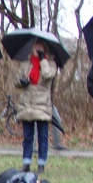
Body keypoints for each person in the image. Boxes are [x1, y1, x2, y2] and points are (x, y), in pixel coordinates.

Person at [16, 40, 56, 174]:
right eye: (36, 46)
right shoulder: (26, 64)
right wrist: (22, 82)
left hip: (42, 104)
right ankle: (26, 162)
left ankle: (41, 164)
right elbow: (17, 82)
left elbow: (47, 75)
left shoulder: (50, 64)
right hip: (27, 103)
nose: (37, 49)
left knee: (42, 137)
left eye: (40, 47)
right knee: (27, 136)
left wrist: (43, 60)